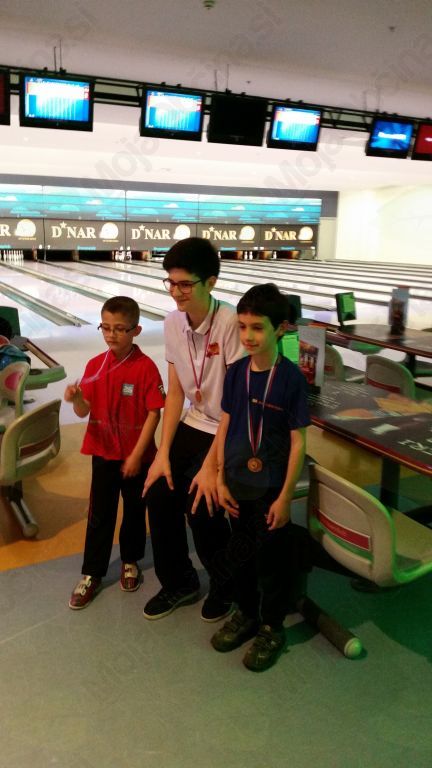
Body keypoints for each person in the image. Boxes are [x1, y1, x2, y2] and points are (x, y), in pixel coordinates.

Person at [142, 237, 244, 622]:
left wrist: (212, 466)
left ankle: (225, 584)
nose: (175, 291)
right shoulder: (172, 323)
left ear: (211, 282)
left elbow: (236, 403)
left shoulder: (231, 323)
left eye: (185, 284)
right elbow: (175, 393)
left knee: (200, 501)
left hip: (230, 427)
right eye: (170, 282)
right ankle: (179, 581)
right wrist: (162, 454)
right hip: (195, 420)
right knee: (158, 491)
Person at [210, 283, 310, 672]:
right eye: (242, 326)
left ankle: (272, 626)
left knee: (271, 561)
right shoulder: (236, 372)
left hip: (271, 488)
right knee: (241, 556)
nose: (247, 336)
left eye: (257, 327)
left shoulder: (290, 379)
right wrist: (220, 477)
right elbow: (225, 424)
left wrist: (285, 497)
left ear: (279, 328)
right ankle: (248, 613)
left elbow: (298, 443)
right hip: (237, 482)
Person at [65, 296, 165, 609]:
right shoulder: (95, 365)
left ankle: (130, 561)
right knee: (100, 514)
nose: (111, 334)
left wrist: (136, 455)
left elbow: (154, 413)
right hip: (103, 453)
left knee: (134, 511)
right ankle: (92, 572)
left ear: (136, 330)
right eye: (105, 327)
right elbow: (83, 411)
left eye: (120, 329)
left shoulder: (146, 368)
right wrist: (76, 399)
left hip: (138, 457)